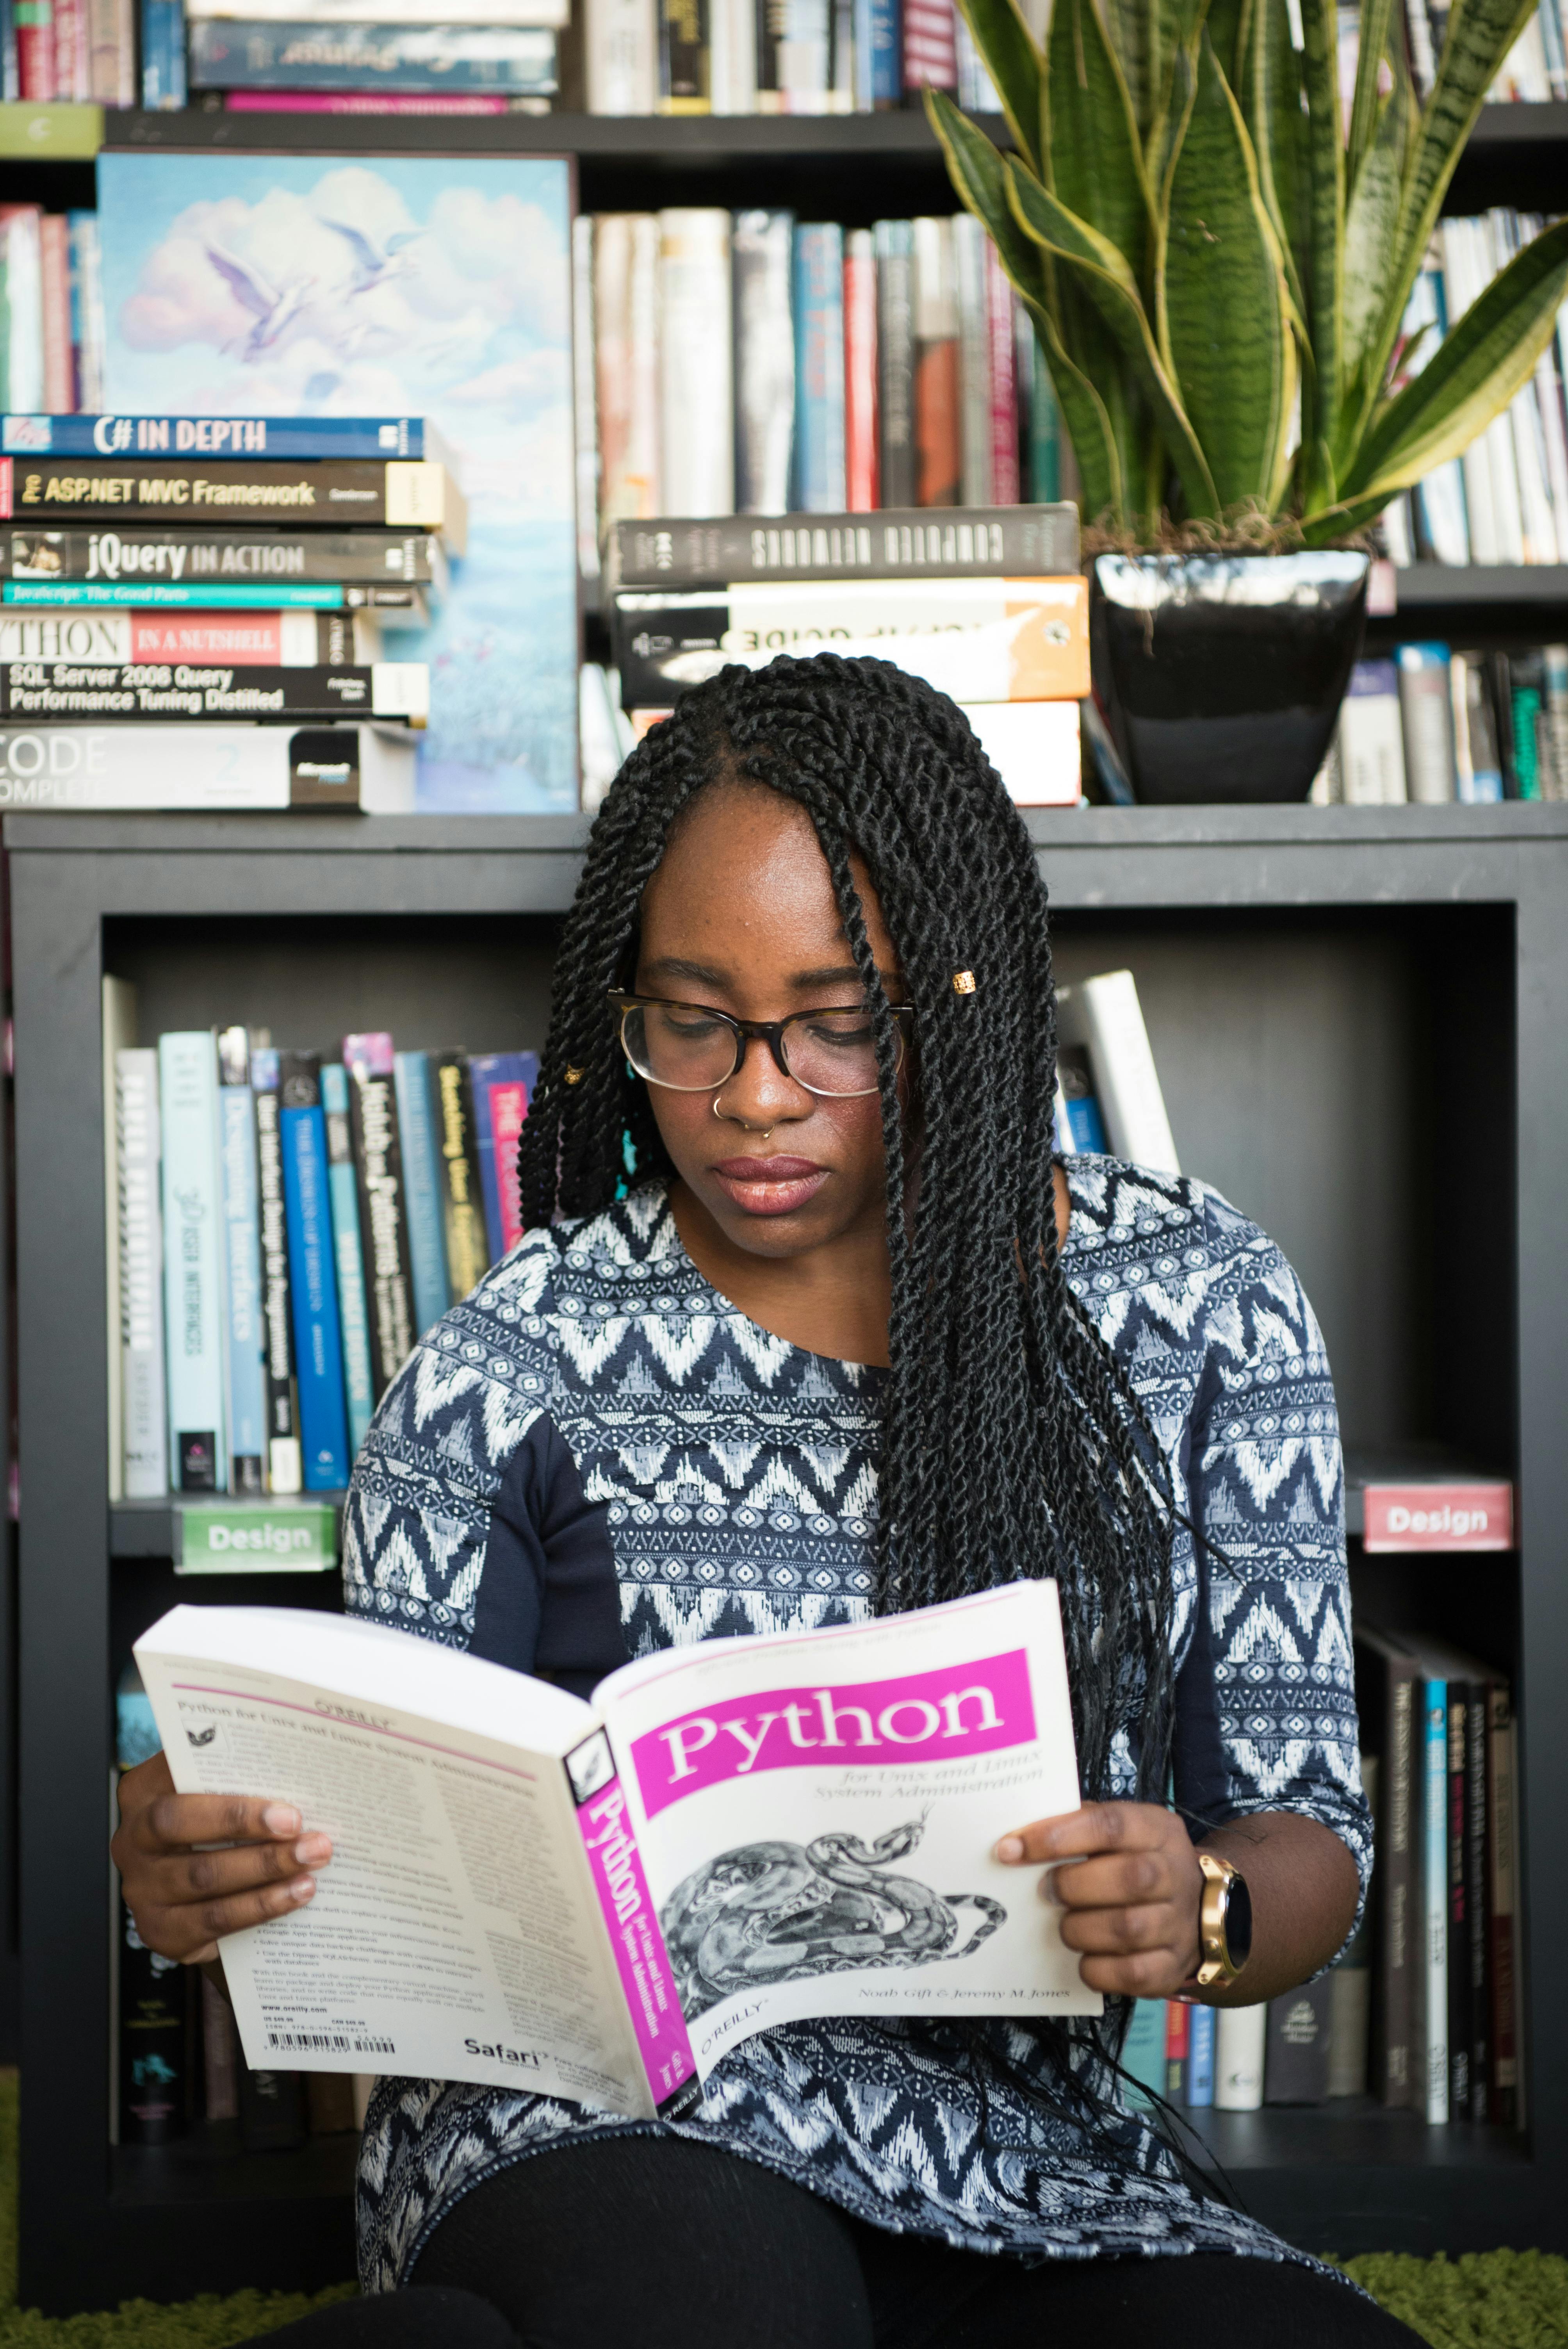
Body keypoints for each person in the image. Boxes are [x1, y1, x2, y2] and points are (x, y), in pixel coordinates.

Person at [114, 655, 1417, 2348]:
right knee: (729, 2308)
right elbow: (384, 1849)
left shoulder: (1206, 1304)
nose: (752, 1094)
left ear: (957, 1000)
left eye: (839, 1022)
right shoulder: (517, 1357)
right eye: (691, 1019)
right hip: (595, 2131)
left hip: (1025, 2162)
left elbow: (1308, 1835)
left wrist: (1206, 1908)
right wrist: (207, 1860)